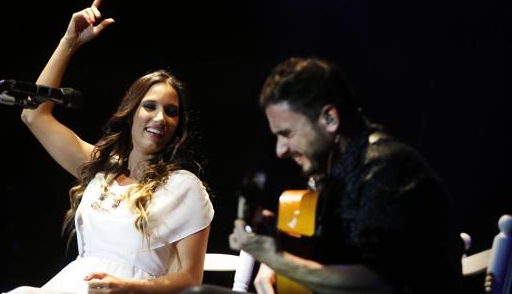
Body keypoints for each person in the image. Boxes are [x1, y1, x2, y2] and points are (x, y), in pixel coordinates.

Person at [186, 57, 463, 294]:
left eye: (287, 134)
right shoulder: (340, 171)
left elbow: (379, 282)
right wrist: (280, 242)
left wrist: (277, 258)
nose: (280, 151)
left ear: (330, 119)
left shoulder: (385, 169)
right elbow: (337, 254)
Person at [5, 0, 214, 294]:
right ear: (131, 114)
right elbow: (34, 116)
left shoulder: (184, 187)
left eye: (171, 112)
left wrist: (129, 287)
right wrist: (69, 43)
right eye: (150, 106)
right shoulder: (100, 168)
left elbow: (191, 279)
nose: (160, 118)